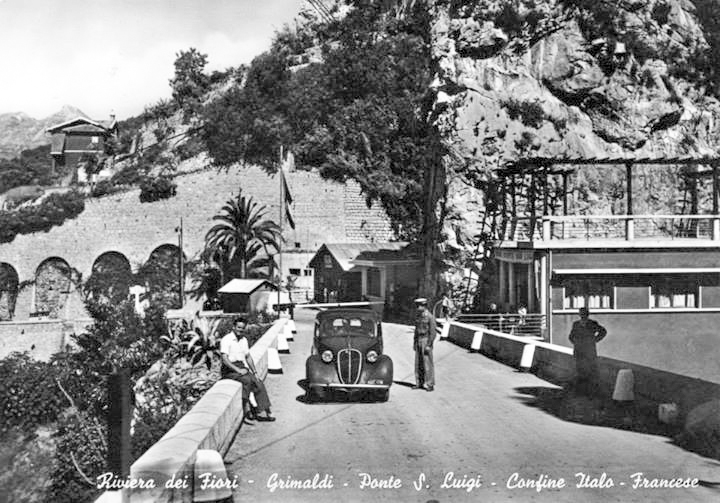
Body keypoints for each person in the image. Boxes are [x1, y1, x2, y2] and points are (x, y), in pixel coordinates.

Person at [219, 317, 276, 422]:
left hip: (241, 367)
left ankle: (267, 412)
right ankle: (247, 411)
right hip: (229, 370)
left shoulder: (244, 340)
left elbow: (248, 357)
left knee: (258, 383)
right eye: (238, 327)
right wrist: (238, 370)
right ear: (233, 327)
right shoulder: (227, 339)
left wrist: (255, 372)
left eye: (242, 328)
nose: (240, 330)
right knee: (247, 381)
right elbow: (224, 359)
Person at [568, 307, 607, 394]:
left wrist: (595, 340)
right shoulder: (576, 324)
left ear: (587, 314)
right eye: (581, 314)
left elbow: (603, 331)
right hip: (579, 352)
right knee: (579, 371)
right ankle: (580, 391)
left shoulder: (593, 323)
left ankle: (590, 392)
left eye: (584, 314)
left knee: (590, 372)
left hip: (589, 352)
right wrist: (576, 343)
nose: (582, 316)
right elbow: (571, 336)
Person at [413, 298, 436, 392]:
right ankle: (419, 383)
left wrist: (429, 344)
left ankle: (430, 384)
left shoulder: (430, 317)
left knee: (427, 363)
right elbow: (416, 330)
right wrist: (414, 342)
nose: (418, 307)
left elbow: (433, 332)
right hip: (419, 339)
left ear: (424, 306)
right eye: (417, 306)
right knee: (418, 363)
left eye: (420, 305)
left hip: (426, 340)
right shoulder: (418, 316)